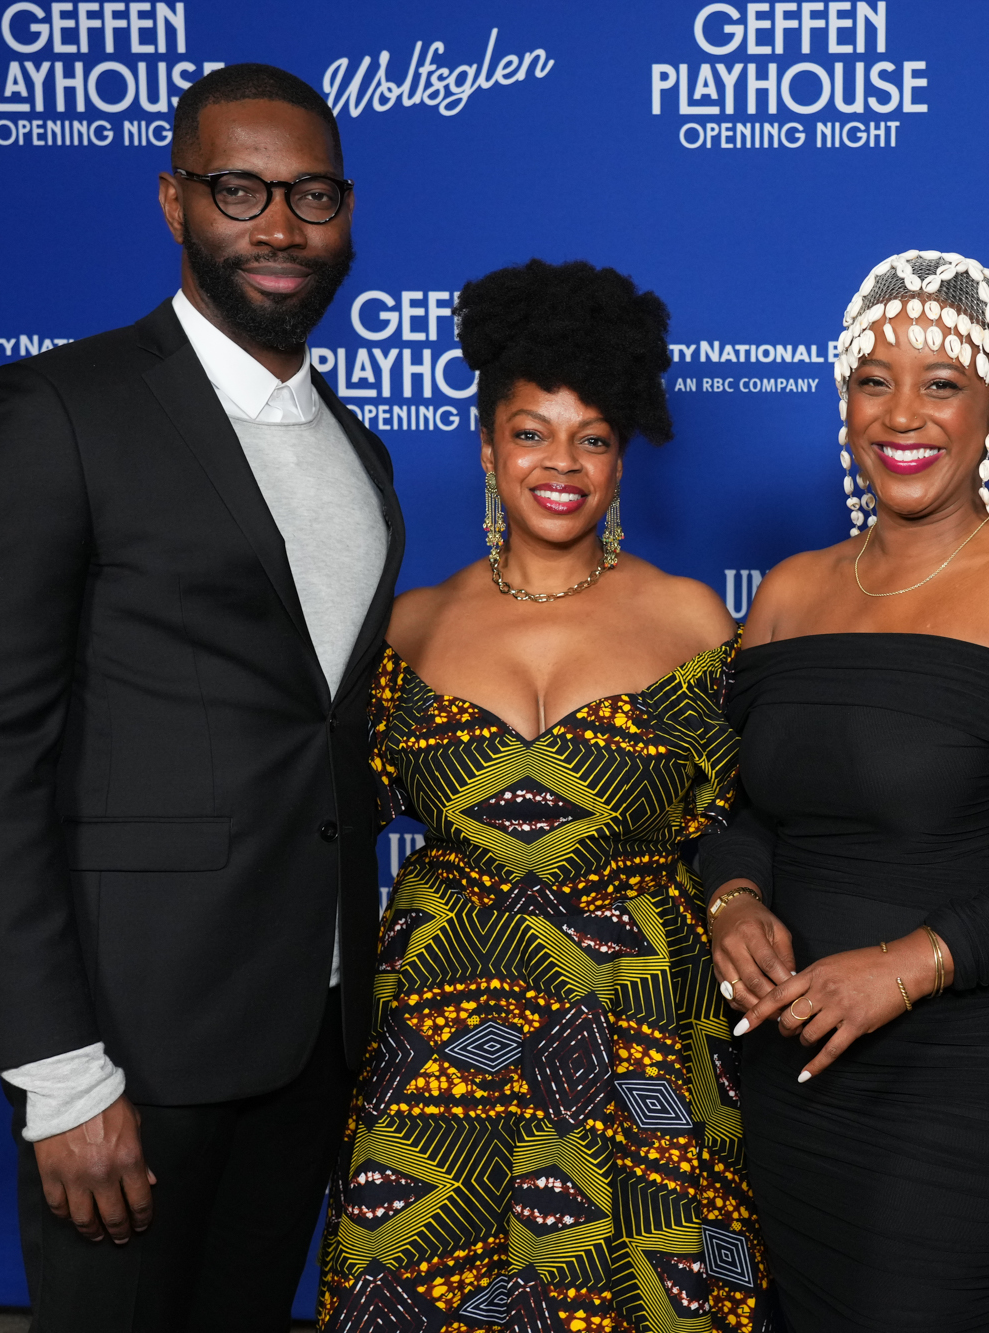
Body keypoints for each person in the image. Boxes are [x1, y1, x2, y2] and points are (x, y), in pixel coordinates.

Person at [0, 64, 402, 1328]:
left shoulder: (357, 446)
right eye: (239, 189)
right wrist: (57, 1073)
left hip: (311, 1032)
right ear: (173, 200)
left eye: (311, 194)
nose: (280, 226)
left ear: (347, 210)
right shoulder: (57, 411)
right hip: (128, 1047)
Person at [316, 258, 767, 1331]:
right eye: (531, 432)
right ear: (487, 447)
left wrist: (737, 897)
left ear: (620, 459)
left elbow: (745, 814)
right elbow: (320, 821)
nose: (560, 464)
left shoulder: (693, 620)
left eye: (591, 438)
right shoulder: (409, 624)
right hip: (439, 1026)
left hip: (636, 1016)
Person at [696, 250, 989, 1332]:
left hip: (969, 1086)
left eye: (942, 382)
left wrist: (911, 963)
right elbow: (742, 810)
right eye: (873, 379)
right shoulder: (788, 594)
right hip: (793, 1071)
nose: (902, 414)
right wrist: (734, 899)